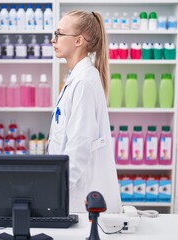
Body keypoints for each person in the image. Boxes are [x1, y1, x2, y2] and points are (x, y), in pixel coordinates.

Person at [47, 10, 121, 213]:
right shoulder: (77, 78)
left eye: (59, 34)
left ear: (78, 41)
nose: (53, 39)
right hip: (72, 193)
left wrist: (54, 190)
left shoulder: (84, 81)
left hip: (80, 198)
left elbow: (79, 146)